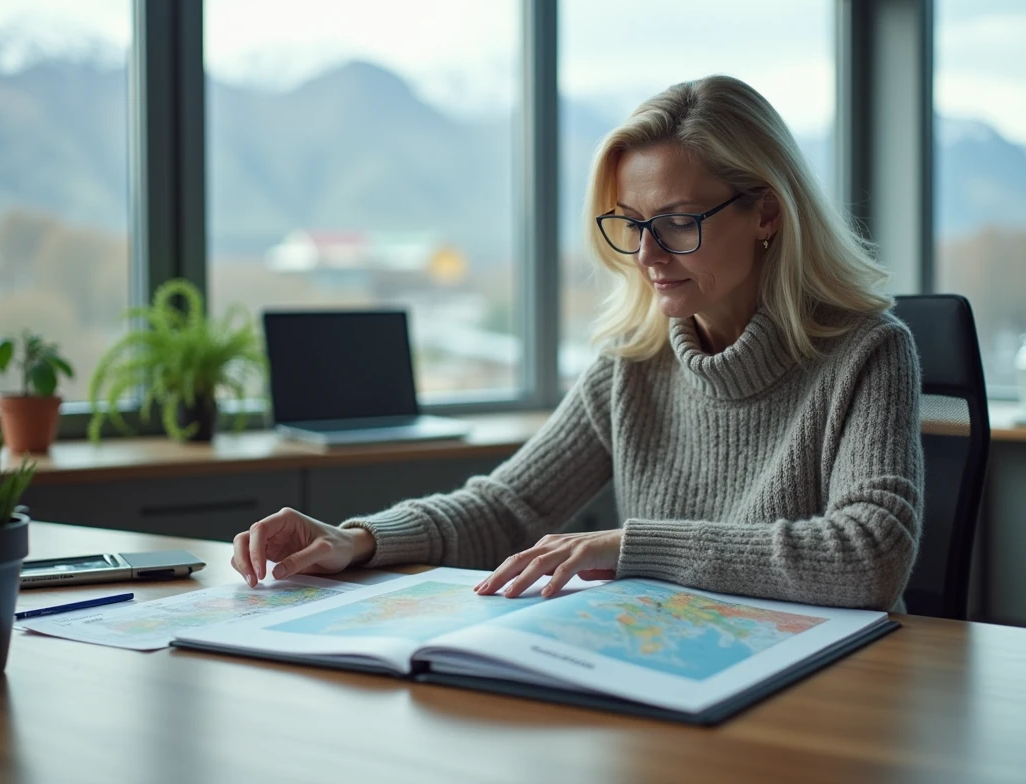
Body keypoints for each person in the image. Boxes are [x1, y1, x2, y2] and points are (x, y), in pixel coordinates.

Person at [232, 75, 923, 611]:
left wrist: (633, 546)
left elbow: (870, 553)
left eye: (679, 222)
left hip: (824, 685)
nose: (647, 254)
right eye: (630, 223)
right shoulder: (634, 363)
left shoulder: (867, 351)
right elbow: (507, 507)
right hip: (680, 661)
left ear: (767, 212)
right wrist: (357, 539)